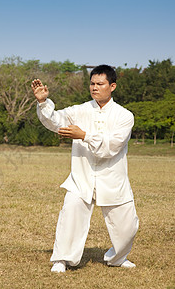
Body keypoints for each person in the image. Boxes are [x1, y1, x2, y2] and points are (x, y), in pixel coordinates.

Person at [31, 65, 139, 273]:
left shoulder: (124, 116)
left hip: (113, 178)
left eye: (100, 84)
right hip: (82, 177)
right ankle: (62, 259)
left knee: (127, 227)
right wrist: (43, 102)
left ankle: (117, 258)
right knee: (70, 213)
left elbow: (112, 146)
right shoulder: (79, 110)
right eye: (92, 83)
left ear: (112, 86)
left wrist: (84, 136)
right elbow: (55, 121)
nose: (95, 88)